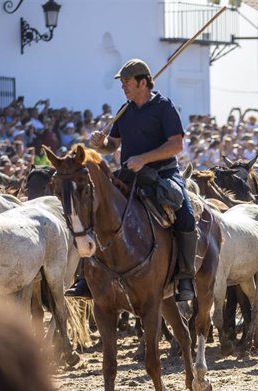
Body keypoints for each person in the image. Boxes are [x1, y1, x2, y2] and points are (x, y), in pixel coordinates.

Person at [69, 58, 197, 302]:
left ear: (142, 82)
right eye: (122, 82)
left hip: (163, 174)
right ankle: (85, 276)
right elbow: (113, 145)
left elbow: (176, 145)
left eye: (126, 81)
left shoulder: (164, 107)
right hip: (130, 174)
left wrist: (144, 159)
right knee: (94, 211)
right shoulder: (124, 110)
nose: (123, 86)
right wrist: (102, 143)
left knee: (186, 217)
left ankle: (186, 277)